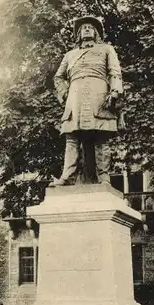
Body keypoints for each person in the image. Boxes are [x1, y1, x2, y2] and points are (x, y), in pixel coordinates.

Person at [50, 15, 124, 186]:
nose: (87, 29)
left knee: (101, 138)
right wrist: (64, 93)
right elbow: (58, 77)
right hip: (75, 97)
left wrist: (114, 92)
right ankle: (67, 176)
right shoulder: (70, 55)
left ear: (96, 32)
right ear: (78, 34)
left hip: (99, 94)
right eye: (83, 28)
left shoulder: (107, 49)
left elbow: (115, 72)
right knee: (72, 138)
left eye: (91, 27)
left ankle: (104, 177)